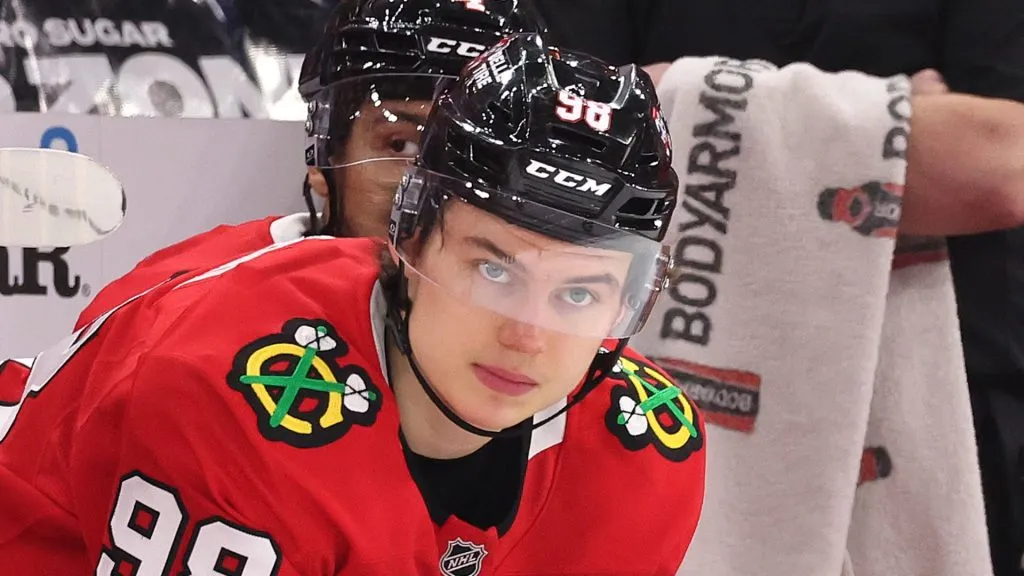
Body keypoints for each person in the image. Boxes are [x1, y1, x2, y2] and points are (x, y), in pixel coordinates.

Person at [0, 33, 707, 575]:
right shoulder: (223, 387)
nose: (528, 335)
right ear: (408, 240)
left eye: (580, 292)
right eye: (494, 270)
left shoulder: (645, 449)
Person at [73, 0, 548, 330]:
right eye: (401, 146)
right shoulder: (163, 312)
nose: (439, 192)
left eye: (479, 156)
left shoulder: (567, 352)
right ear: (324, 157)